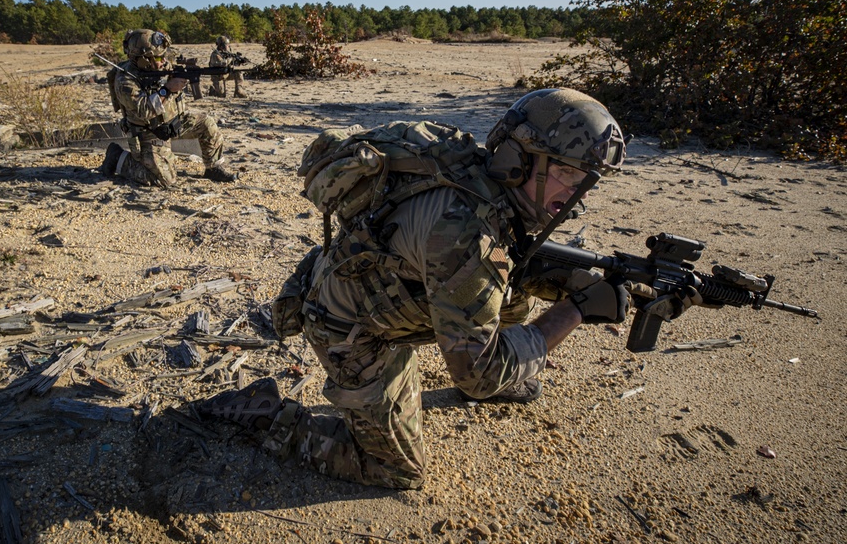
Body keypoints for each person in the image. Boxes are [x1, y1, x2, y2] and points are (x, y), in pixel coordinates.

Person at [198, 88, 700, 490]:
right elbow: (475, 376)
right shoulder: (464, 233)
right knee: (395, 472)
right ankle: (266, 414)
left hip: (389, 289)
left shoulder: (488, 184)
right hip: (351, 326)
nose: (577, 194)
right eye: (567, 174)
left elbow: (517, 265)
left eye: (586, 179)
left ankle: (503, 356)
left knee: (516, 285)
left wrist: (601, 283)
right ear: (519, 161)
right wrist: (574, 310)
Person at [100, 29, 237, 184]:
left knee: (206, 124)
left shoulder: (156, 67)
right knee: (164, 180)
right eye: (158, 57)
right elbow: (144, 110)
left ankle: (213, 168)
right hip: (149, 133)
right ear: (143, 59)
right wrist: (168, 89)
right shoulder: (125, 80)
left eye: (164, 56)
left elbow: (169, 69)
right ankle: (119, 158)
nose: (163, 60)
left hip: (172, 123)